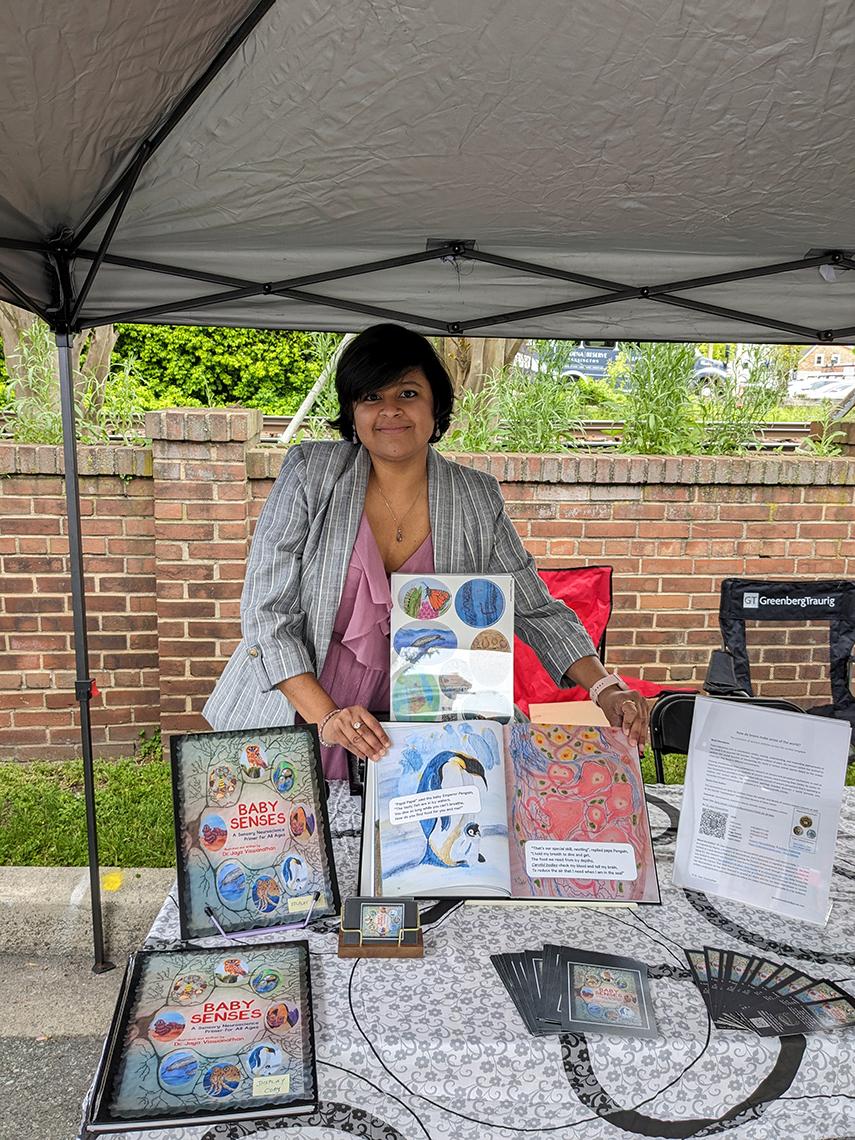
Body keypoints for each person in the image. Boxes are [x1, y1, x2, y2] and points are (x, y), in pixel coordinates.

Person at [203, 324, 649, 778]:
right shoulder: (310, 474)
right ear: (352, 410)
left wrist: (605, 688)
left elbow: (536, 609)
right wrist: (329, 718)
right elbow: (266, 614)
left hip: (427, 728)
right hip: (300, 714)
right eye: (371, 397)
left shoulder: (475, 496)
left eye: (409, 393)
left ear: (436, 405)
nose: (390, 410)